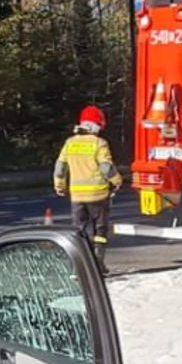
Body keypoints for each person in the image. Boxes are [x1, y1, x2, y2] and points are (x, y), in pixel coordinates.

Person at [53, 105, 124, 270]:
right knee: (100, 231)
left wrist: (59, 185)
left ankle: (80, 266)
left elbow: (60, 168)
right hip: (98, 195)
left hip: (77, 197)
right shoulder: (99, 143)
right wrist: (117, 181)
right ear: (97, 125)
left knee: (79, 231)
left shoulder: (70, 143)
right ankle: (98, 264)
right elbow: (106, 168)